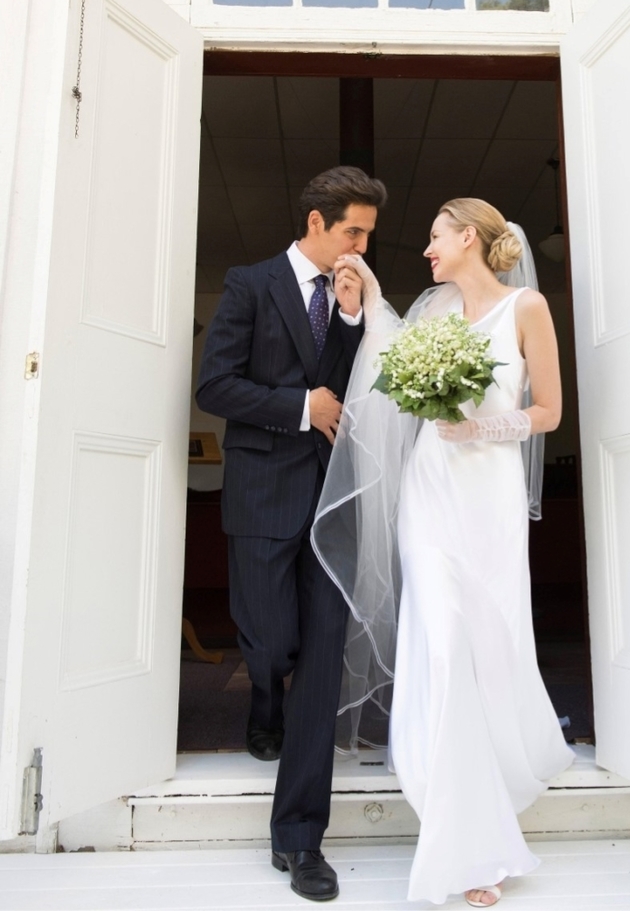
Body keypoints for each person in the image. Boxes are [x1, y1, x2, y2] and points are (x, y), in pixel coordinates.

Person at [313, 199, 575, 907]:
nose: (426, 250)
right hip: (427, 497)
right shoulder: (430, 317)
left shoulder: (527, 308)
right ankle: (462, 841)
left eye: (435, 237)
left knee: (486, 650)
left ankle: (487, 806)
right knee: (442, 644)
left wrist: (486, 425)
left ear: (468, 237)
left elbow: (548, 409)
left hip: (487, 499)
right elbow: (389, 353)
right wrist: (362, 296)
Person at [195, 166, 387, 902]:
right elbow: (216, 386)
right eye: (353, 232)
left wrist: (346, 321)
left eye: (366, 233)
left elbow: (346, 388)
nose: (362, 245)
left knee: (321, 667)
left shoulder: (349, 296)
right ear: (316, 223)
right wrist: (297, 406)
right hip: (262, 496)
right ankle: (261, 698)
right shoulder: (248, 285)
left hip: (332, 506)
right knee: (269, 640)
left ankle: (301, 839)